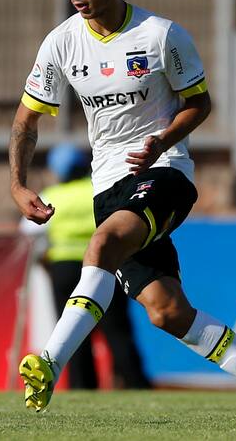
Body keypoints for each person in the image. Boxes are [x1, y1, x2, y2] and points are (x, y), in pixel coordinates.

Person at [8, 0, 236, 421]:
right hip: (108, 187)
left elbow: (199, 103)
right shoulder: (62, 43)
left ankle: (48, 361)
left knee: (103, 245)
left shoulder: (160, 35)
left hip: (165, 174)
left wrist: (162, 141)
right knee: (168, 313)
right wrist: (18, 183)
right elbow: (26, 120)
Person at [23, 143, 152, 390]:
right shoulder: (97, 189)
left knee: (73, 331)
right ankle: (136, 385)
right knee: (118, 331)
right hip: (105, 266)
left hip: (62, 270)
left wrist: (48, 262)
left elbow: (30, 234)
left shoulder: (52, 195)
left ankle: (82, 388)